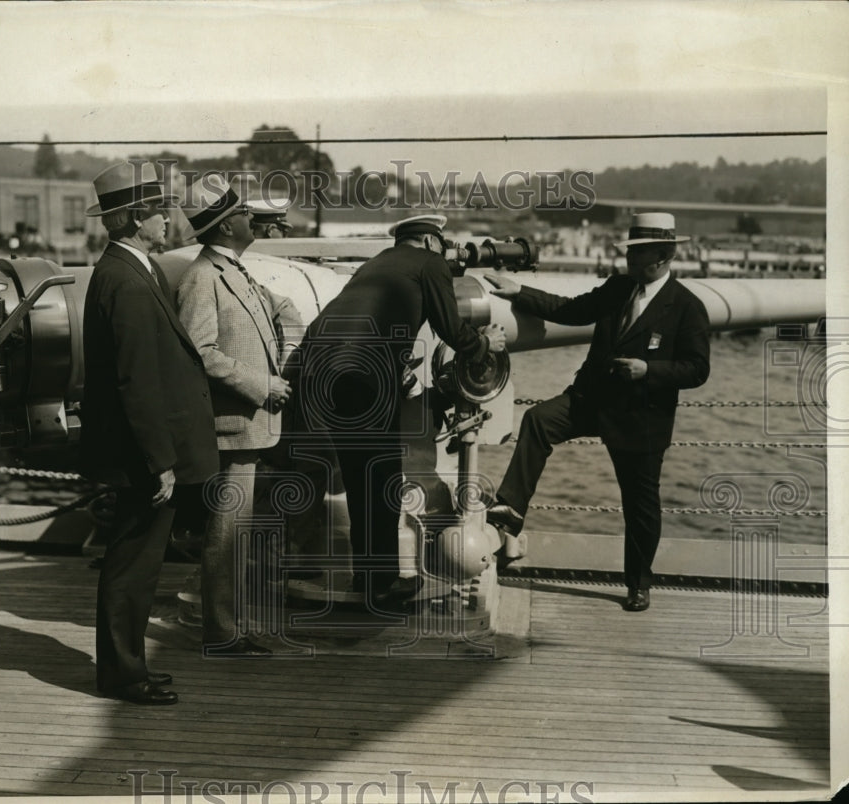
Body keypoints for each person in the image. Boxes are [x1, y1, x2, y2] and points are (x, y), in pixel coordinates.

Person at [485, 212, 711, 612]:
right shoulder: (619, 287)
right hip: (591, 400)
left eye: (637, 254)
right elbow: (572, 310)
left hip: (640, 417)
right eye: (629, 252)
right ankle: (511, 509)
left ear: (662, 257)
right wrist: (518, 291)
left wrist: (649, 371)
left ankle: (639, 585)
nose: (628, 260)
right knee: (538, 420)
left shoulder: (687, 307)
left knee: (640, 506)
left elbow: (697, 369)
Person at [297, 214, 506, 609]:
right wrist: (483, 344)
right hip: (365, 379)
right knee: (383, 481)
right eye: (442, 245)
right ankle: (383, 585)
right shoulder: (430, 264)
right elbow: (450, 327)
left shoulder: (375, 264)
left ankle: (367, 577)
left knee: (360, 483)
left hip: (323, 375)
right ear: (429, 241)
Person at [81, 162, 219, 703]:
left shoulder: (129, 271)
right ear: (138, 217)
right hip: (143, 458)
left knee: (136, 565)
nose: (169, 218)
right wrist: (160, 461)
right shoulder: (128, 281)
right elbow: (136, 381)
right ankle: (123, 675)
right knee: (132, 567)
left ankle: (127, 666)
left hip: (140, 452)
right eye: (160, 210)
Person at [177, 174, 303, 656]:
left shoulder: (235, 271)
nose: (255, 219)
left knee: (237, 533)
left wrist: (286, 350)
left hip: (253, 426)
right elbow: (200, 352)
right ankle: (222, 631)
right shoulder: (203, 277)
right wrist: (262, 384)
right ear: (228, 226)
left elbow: (283, 309)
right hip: (234, 426)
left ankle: (231, 625)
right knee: (226, 535)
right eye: (247, 214)